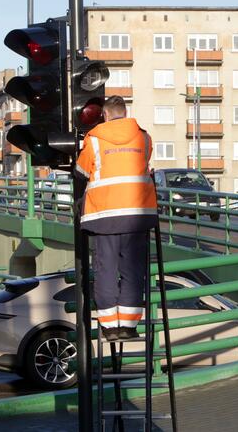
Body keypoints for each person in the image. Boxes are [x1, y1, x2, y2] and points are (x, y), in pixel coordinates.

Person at [75, 96, 158, 342]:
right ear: (125, 112)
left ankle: (110, 328)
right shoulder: (143, 137)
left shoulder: (96, 139)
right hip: (137, 214)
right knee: (133, 271)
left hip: (105, 214)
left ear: (106, 115)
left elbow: (81, 171)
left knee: (106, 270)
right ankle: (129, 327)